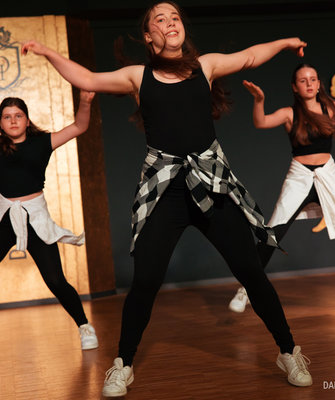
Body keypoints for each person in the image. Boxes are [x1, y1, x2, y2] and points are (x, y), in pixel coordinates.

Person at [22, 2, 312, 395]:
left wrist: (284, 42)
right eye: (160, 19)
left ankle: (289, 351)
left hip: (210, 183)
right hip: (165, 190)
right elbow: (86, 78)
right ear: (148, 36)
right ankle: (123, 364)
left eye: (174, 17)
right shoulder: (137, 76)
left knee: (250, 270)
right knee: (145, 280)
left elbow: (248, 57)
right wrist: (47, 51)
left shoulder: (205, 66)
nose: (170, 22)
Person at [228, 63, 335, 317]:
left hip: (327, 175)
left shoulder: (332, 108)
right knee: (272, 234)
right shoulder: (289, 114)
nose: (309, 84)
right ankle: (245, 290)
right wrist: (259, 100)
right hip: (300, 177)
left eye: (313, 79)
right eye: (303, 80)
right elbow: (261, 122)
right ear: (294, 87)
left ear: (319, 84)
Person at [0, 91, 99, 351]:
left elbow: (80, 126)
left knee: (55, 280)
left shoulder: (42, 143)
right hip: (4, 218)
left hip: (36, 220)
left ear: (27, 120)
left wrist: (85, 102)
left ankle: (84, 326)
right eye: (7, 117)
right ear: (0, 123)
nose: (13, 121)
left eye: (18, 116)